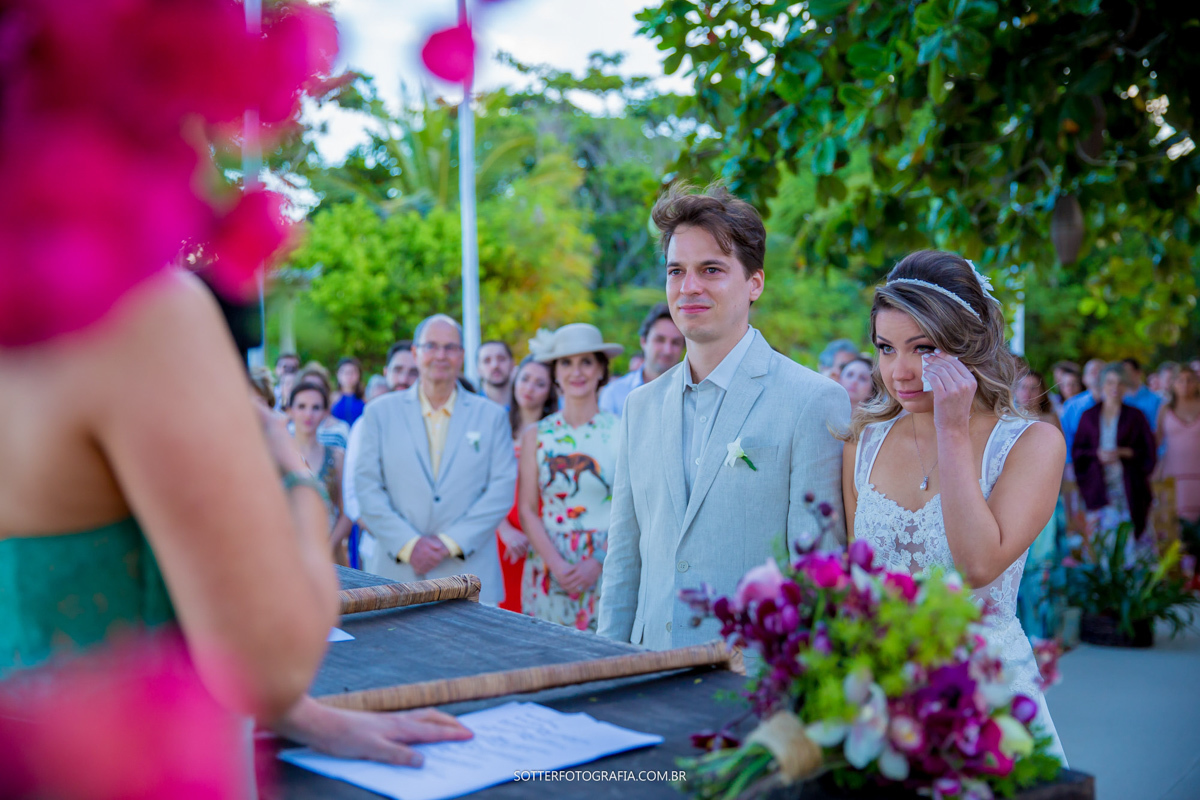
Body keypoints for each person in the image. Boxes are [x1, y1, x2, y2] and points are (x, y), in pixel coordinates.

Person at [0, 272, 471, 769]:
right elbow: (273, 670)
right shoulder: (150, 312)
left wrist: (312, 720)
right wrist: (297, 477)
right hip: (147, 765)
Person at [597, 184, 850, 652]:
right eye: (677, 271)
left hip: (754, 680)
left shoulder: (814, 401)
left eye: (711, 269)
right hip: (645, 668)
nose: (689, 287)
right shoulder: (641, 405)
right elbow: (624, 558)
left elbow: (818, 576)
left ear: (755, 282)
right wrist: (604, 670)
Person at [841, 250, 1067, 764]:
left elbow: (978, 566)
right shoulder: (863, 443)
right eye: (885, 348)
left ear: (968, 346)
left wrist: (951, 429)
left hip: (986, 697)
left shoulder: (1033, 443)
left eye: (923, 348)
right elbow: (859, 585)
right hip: (880, 697)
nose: (899, 371)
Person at [353, 315, 516, 603]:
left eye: (450, 347)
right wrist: (409, 544)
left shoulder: (490, 416)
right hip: (395, 575)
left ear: (462, 356)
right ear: (415, 353)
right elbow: (366, 486)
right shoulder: (379, 413)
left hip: (469, 577)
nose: (441, 355)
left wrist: (448, 544)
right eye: (431, 346)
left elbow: (501, 490)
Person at [519, 325, 622, 631]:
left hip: (608, 561)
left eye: (586, 362)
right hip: (549, 562)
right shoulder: (536, 435)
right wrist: (557, 564)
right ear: (554, 372)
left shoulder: (622, 430)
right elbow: (527, 509)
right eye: (566, 363)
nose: (576, 372)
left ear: (601, 370)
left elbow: (632, 508)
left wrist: (598, 561)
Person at [496, 357, 558, 613]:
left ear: (551, 391)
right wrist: (504, 530)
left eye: (539, 383)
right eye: (525, 379)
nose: (529, 388)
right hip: (502, 534)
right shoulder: (496, 427)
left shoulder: (556, 433)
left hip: (545, 536)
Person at [1072, 363, 1157, 543]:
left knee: (1131, 539)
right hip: (1099, 487)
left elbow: (1149, 451)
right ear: (1102, 384)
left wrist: (1127, 452)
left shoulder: (1136, 416)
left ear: (1125, 386)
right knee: (1103, 541)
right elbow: (1078, 451)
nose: (1115, 387)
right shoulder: (1089, 416)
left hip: (1129, 487)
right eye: (1110, 382)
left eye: (1119, 383)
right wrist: (1097, 454)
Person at [286, 381, 353, 563]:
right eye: (301, 406)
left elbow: (347, 511)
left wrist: (327, 548)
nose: (308, 414)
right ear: (290, 410)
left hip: (330, 554)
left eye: (315, 407)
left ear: (325, 413)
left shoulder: (337, 456)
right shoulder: (277, 456)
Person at [598, 303, 686, 417]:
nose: (667, 350)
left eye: (675, 342)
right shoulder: (614, 394)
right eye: (660, 340)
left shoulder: (692, 394)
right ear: (643, 341)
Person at [1157, 365, 1200, 554]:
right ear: (1172, 384)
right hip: (1174, 476)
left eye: (1190, 379)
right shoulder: (1165, 409)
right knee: (1177, 526)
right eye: (1180, 380)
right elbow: (1156, 442)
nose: (1185, 384)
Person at [1060, 358, 1105, 464]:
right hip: (1081, 464)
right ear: (1084, 379)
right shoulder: (1071, 405)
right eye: (1093, 371)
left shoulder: (1123, 404)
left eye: (1101, 371)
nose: (1097, 374)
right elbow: (1066, 438)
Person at [1122, 358, 1162, 434]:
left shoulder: (1155, 400)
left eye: (1128, 371)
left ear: (1138, 373)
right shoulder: (1119, 400)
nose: (1125, 376)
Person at [477, 340, 515, 408]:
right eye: (487, 360)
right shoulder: (471, 408)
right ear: (478, 369)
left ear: (512, 364)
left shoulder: (526, 406)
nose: (495, 365)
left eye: (501, 359)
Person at [331, 356, 366, 425]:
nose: (349, 376)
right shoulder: (331, 398)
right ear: (337, 374)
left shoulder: (365, 398)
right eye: (344, 372)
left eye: (352, 372)